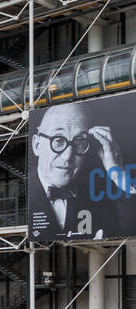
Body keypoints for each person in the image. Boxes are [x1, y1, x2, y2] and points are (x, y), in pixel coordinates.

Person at [30, 101, 129, 239]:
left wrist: (116, 172)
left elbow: (129, 227)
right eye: (58, 140)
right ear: (37, 145)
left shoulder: (97, 200)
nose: (67, 157)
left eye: (79, 142)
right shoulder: (18, 197)